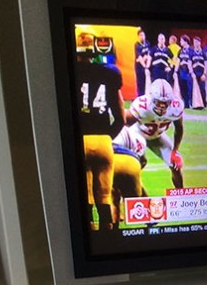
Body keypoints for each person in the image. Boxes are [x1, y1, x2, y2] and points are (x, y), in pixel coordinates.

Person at [75, 33, 125, 230]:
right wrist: (106, 137)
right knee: (104, 199)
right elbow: (120, 118)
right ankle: (110, 241)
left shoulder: (70, 72)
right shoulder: (109, 73)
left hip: (81, 141)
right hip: (104, 141)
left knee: (86, 200)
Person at [126, 78, 185, 189]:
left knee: (175, 165)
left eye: (166, 103)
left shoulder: (176, 107)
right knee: (137, 164)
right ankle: (127, 192)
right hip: (138, 134)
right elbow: (125, 125)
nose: (162, 106)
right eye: (159, 102)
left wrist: (175, 150)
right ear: (151, 98)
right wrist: (127, 144)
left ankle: (181, 195)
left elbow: (179, 128)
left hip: (157, 137)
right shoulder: (142, 106)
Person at [134, 28, 150, 97]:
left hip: (146, 65)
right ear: (138, 36)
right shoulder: (137, 45)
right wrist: (145, 66)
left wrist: (147, 66)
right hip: (139, 67)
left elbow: (149, 55)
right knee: (140, 83)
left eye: (143, 35)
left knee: (146, 82)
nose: (142, 36)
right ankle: (140, 96)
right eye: (140, 35)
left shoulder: (147, 43)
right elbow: (139, 58)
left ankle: (145, 96)